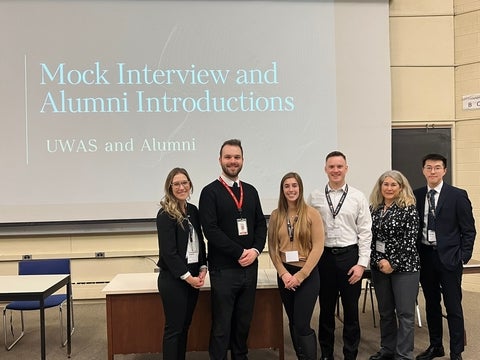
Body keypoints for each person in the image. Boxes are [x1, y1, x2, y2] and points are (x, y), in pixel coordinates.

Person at [199, 139, 267, 360]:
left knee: (243, 321)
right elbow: (211, 230)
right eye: (228, 157)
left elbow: (260, 225)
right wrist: (239, 253)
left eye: (236, 157)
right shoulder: (209, 192)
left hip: (250, 268)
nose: (232, 161)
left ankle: (240, 356)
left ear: (243, 160)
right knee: (222, 324)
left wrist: (255, 250)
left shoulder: (251, 191)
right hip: (223, 269)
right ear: (220, 160)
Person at [308, 150, 372, 360]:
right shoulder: (315, 196)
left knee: (351, 311)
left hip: (349, 258)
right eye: (331, 167)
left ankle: (350, 354)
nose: (336, 170)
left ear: (346, 169)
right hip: (324, 258)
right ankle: (326, 353)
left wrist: (362, 264)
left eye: (339, 166)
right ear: (325, 169)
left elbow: (365, 232)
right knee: (325, 310)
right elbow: (308, 230)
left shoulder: (357, 196)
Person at [414, 154, 476, 360]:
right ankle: (435, 346)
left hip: (450, 258)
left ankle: (456, 351)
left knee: (453, 306)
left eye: (437, 168)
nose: (433, 171)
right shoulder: (417, 195)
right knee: (431, 304)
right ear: (423, 170)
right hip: (426, 256)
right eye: (429, 168)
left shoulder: (457, 195)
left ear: (444, 171)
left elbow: (469, 230)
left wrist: (463, 256)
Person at [268, 172, 325, 360]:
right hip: (285, 274)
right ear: (282, 190)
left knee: (301, 323)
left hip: (307, 274)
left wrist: (300, 276)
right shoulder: (276, 215)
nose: (291, 189)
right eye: (287, 186)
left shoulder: (312, 214)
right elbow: (273, 249)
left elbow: (318, 247)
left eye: (294, 185)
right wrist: (284, 274)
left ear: (300, 188)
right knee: (292, 321)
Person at [156, 167, 208, 360]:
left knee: (185, 326)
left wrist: (203, 267)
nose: (181, 187)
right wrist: (188, 278)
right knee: (174, 329)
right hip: (174, 280)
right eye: (176, 184)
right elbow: (169, 254)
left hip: (193, 278)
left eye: (184, 183)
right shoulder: (165, 214)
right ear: (170, 187)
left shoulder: (193, 211)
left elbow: (199, 242)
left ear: (190, 185)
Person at [368, 170, 420, 360]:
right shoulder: (374, 208)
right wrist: (378, 261)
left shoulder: (409, 208)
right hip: (379, 267)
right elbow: (368, 238)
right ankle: (387, 349)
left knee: (405, 314)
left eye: (393, 185)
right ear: (380, 186)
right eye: (385, 184)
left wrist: (393, 263)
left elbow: (409, 240)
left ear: (401, 187)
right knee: (385, 312)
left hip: (404, 269)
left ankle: (404, 354)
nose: (389, 188)